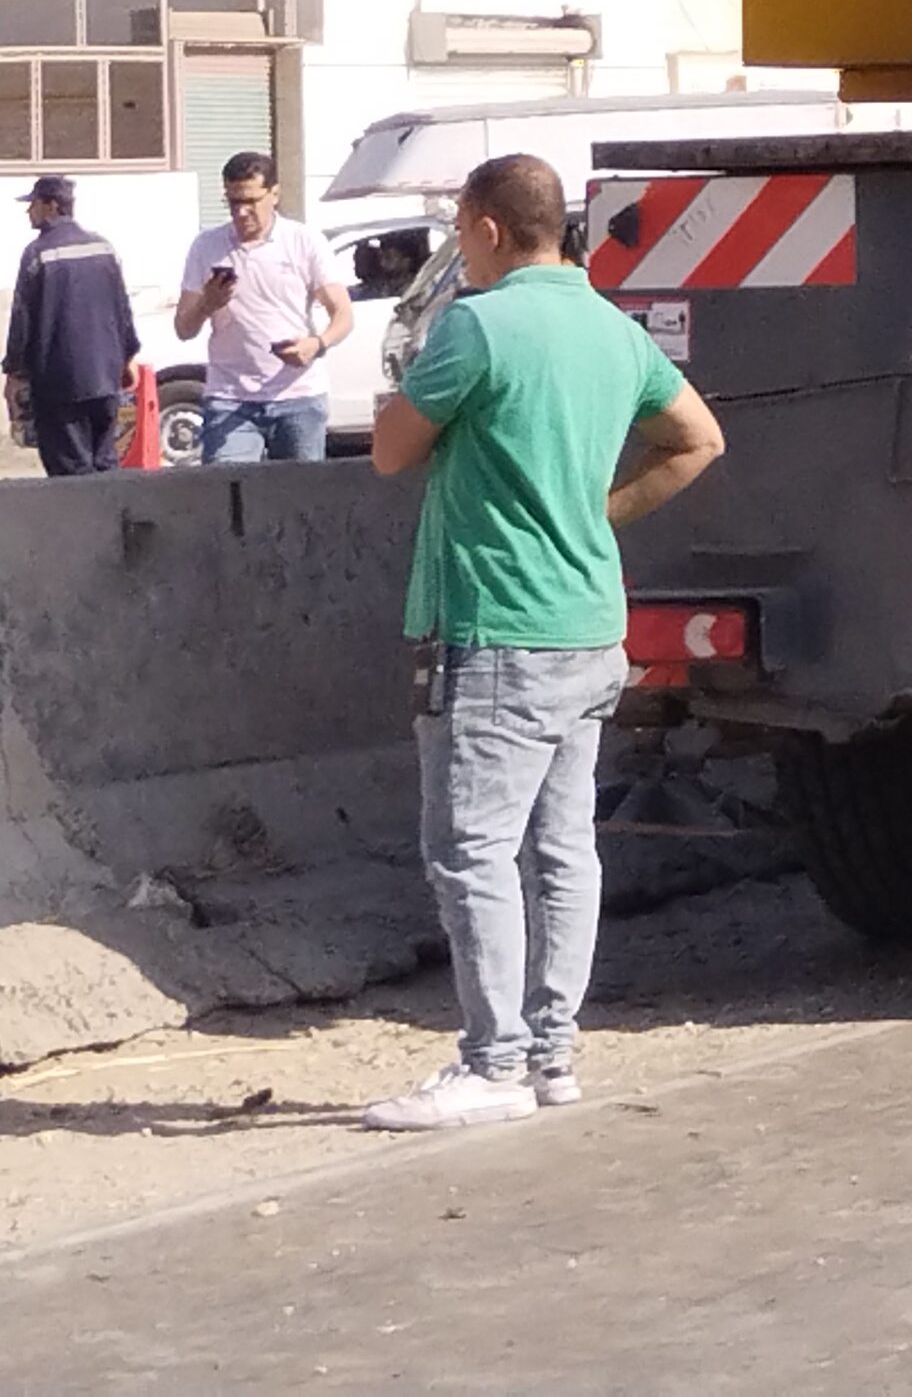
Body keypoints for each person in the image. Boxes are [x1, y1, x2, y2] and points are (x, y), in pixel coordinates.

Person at [360, 152, 726, 1132]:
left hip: (495, 629)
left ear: (486, 228)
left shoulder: (477, 324)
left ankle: (493, 1063)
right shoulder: (614, 329)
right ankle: (551, 1053)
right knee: (563, 848)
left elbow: (390, 450)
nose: (459, 252)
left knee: (472, 851)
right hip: (588, 627)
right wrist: (601, 512)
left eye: (459, 234)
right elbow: (699, 438)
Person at [177, 152, 349, 463]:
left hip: (298, 396)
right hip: (230, 398)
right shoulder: (206, 245)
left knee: (301, 491)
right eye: (233, 202)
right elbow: (183, 328)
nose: (241, 212)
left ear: (274, 194)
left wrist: (316, 344)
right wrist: (206, 305)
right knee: (229, 488)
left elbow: (343, 314)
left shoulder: (304, 240)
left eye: (251, 202)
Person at [4, 176, 137, 476]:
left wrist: (14, 372)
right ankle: (110, 507)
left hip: (59, 384)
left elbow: (22, 320)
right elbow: (122, 308)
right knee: (105, 464)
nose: (28, 212)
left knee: (70, 472)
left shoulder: (38, 253)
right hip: (105, 380)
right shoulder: (103, 247)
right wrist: (127, 355)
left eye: (33, 204)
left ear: (51, 206)